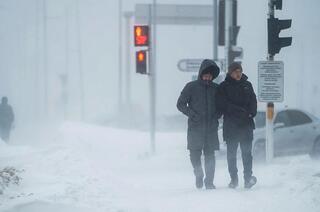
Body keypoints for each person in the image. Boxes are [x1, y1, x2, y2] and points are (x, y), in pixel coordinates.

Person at [177, 59, 220, 189]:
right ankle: (198, 173)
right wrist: (193, 115)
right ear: (201, 73)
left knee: (210, 155)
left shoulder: (216, 89)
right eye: (206, 74)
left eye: (210, 75)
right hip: (195, 128)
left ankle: (209, 182)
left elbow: (222, 105)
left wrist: (217, 115)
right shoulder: (191, 87)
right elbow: (180, 104)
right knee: (194, 154)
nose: (208, 77)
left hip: (211, 129)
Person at [216, 62, 257, 189]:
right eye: (235, 71)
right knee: (231, 155)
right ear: (230, 72)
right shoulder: (223, 86)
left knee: (247, 153)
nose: (238, 73)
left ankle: (247, 179)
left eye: (240, 71)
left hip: (246, 125)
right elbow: (222, 104)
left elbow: (253, 102)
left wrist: (251, 113)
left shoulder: (247, 85)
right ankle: (234, 179)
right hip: (231, 126)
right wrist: (240, 112)